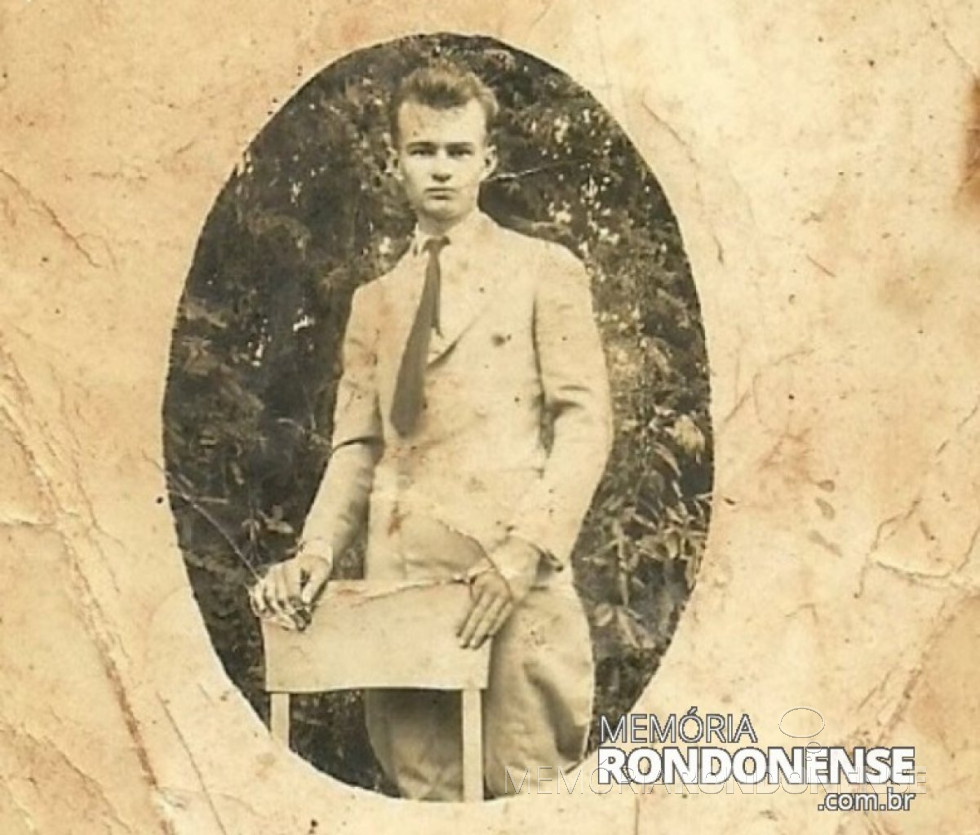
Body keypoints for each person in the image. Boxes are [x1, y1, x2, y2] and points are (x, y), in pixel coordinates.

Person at [250, 62, 613, 800]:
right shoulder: (375, 303)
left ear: (489, 159)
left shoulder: (544, 271)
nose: (440, 169)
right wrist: (316, 550)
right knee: (425, 799)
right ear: (396, 162)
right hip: (403, 596)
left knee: (527, 794)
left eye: (456, 151)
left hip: (511, 587)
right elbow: (357, 447)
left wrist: (526, 549)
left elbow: (586, 421)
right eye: (423, 151)